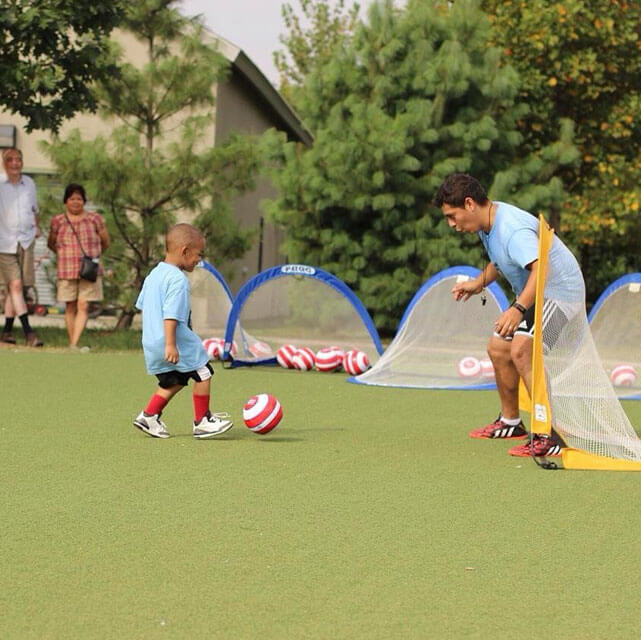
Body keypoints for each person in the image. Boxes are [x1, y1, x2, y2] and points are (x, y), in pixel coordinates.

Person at [434, 173, 585, 458]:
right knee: (499, 349)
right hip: (538, 293)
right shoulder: (488, 222)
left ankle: (549, 434)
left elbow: (542, 271)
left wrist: (517, 310)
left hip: (560, 294)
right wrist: (479, 283)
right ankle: (511, 422)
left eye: (452, 216)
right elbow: (502, 260)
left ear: (469, 204)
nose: (452, 225)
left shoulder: (511, 228)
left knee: (523, 349)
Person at [133, 223, 233, 439]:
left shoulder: (154, 275)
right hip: (174, 341)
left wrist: (156, 339)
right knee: (203, 371)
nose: (199, 260)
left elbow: (143, 306)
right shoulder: (177, 279)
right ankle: (203, 420)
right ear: (185, 251)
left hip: (152, 340)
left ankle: (149, 416)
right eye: (198, 254)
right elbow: (171, 314)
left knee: (175, 379)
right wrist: (170, 343)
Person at [47, 183, 110, 350]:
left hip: (89, 269)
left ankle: (74, 343)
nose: (76, 202)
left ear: (84, 200)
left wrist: (93, 255)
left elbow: (105, 241)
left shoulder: (94, 219)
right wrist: (63, 254)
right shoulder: (58, 221)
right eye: (72, 198)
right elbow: (51, 243)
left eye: (79, 198)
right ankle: (72, 342)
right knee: (70, 305)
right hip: (66, 268)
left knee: (84, 305)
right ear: (66, 201)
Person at [0, 147, 43, 346]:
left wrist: (37, 227)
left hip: (26, 240)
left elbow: (34, 209)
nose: (15, 163)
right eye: (10, 160)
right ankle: (29, 332)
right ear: (4, 163)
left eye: (18, 159)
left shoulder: (29, 184)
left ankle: (7, 332)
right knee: (16, 286)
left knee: (15, 288)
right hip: (4, 242)